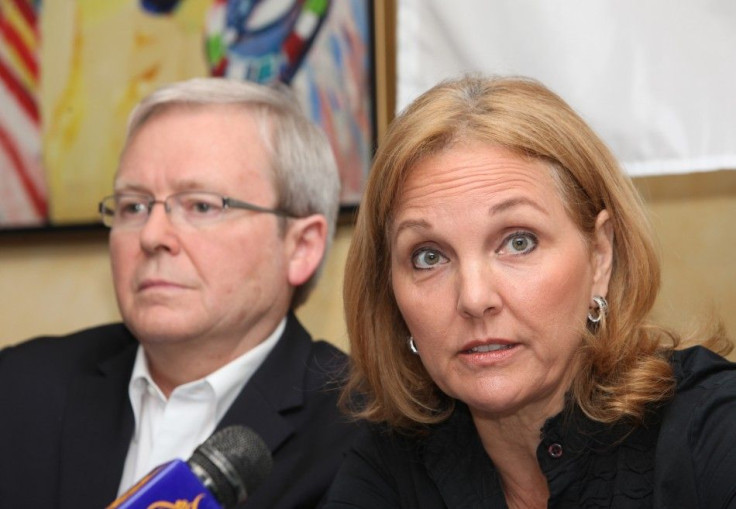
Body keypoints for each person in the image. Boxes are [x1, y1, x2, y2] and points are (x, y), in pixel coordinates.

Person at [323, 75, 736, 509]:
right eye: (429, 257)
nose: (474, 297)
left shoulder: (712, 430)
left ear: (600, 255)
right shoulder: (390, 462)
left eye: (518, 242)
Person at [0, 78, 360, 508]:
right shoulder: (19, 388)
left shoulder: (364, 433)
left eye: (201, 206)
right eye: (133, 206)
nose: (152, 235)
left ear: (300, 247)